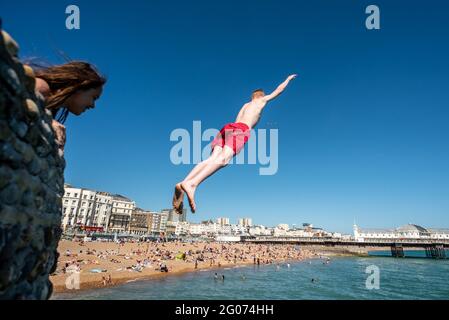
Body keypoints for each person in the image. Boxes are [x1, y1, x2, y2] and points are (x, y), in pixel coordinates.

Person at [173, 74, 297, 213]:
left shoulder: (245, 105)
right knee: (224, 160)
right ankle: (193, 184)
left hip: (228, 127)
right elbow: (279, 90)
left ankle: (184, 182)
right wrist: (288, 79)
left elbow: (237, 120)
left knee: (212, 159)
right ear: (261, 95)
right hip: (241, 129)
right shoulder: (261, 100)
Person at [34, 61, 106, 153]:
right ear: (80, 86)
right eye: (94, 98)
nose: (93, 105)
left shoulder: (51, 109)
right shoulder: (41, 87)